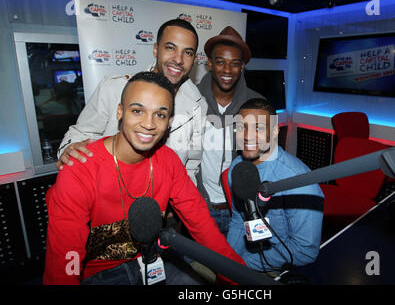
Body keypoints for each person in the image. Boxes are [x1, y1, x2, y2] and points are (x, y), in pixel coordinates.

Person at [43, 72, 245, 285]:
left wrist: (240, 278)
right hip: (99, 276)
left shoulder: (168, 162)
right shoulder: (80, 168)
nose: (149, 124)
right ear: (120, 112)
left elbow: (203, 226)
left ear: (169, 122)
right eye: (138, 111)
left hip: (154, 262)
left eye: (160, 114)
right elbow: (65, 260)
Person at [56, 18, 207, 185]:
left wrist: (179, 202)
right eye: (170, 48)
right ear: (156, 49)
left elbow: (192, 164)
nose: (178, 59)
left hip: (163, 202)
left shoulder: (198, 105)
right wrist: (70, 150)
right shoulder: (115, 88)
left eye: (188, 52)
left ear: (194, 59)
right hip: (111, 194)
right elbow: (81, 133)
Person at [226, 98, 324, 272]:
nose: (247, 136)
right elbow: (238, 220)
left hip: (278, 266)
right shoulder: (237, 167)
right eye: (242, 127)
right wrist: (226, 260)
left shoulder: (299, 181)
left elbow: (305, 252)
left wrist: (242, 264)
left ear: (275, 131)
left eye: (259, 128)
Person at [195, 26, 265, 235]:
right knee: (199, 266)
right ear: (209, 63)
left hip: (241, 209)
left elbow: (266, 162)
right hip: (201, 206)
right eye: (220, 62)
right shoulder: (190, 99)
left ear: (242, 66)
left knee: (241, 265)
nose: (227, 70)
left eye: (235, 63)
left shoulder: (257, 105)